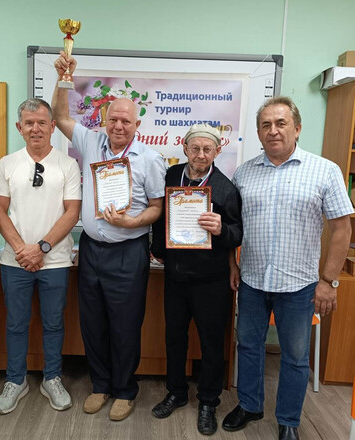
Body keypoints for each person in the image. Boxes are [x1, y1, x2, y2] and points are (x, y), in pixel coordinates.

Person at [222, 96, 353, 440]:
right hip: (252, 281)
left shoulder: (325, 170)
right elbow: (234, 226)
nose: (273, 130)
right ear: (258, 133)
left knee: (295, 357)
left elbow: (342, 229)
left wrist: (328, 282)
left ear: (297, 128)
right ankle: (250, 405)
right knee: (248, 347)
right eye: (266, 125)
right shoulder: (244, 173)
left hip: (300, 286)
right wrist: (232, 263)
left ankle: (289, 421)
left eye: (281, 123)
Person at [52, 53, 166, 421]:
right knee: (92, 322)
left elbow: (157, 207)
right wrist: (64, 79)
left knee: (125, 324)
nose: (118, 125)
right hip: (91, 250)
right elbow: (60, 116)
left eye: (126, 120)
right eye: (113, 118)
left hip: (128, 251)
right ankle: (100, 385)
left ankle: (125, 390)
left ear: (137, 124)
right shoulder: (90, 142)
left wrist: (133, 223)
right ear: (104, 119)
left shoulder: (150, 158)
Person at [150, 123, 242, 435]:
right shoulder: (170, 176)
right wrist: (158, 249)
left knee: (211, 342)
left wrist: (222, 229)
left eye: (207, 149)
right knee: (174, 338)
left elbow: (237, 233)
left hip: (211, 280)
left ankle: (208, 401)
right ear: (185, 148)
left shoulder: (225, 188)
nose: (200, 154)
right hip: (175, 277)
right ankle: (176, 392)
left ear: (217, 151)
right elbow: (159, 217)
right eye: (195, 148)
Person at [0, 98, 81, 414]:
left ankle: (51, 378)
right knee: (16, 323)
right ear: (20, 127)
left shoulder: (67, 164)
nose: (36, 128)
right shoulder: (7, 164)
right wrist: (22, 249)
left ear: (53, 126)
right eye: (29, 123)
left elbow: (72, 212)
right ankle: (15, 381)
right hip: (14, 261)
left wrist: (40, 248)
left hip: (55, 261)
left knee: (54, 323)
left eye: (42, 122)